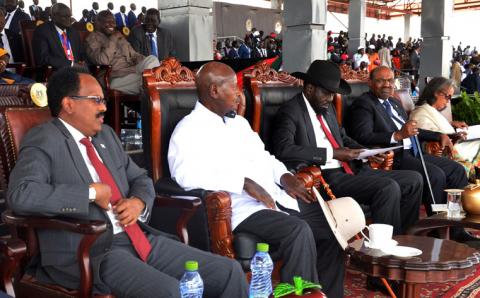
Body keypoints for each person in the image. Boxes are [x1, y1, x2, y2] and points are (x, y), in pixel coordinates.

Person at [7, 66, 248, 298]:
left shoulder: (106, 136)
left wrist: (139, 203)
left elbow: (140, 177)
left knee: (229, 272)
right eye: (96, 100)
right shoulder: (44, 138)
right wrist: (88, 193)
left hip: (139, 237)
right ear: (68, 104)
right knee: (169, 291)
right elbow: (21, 194)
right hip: (93, 250)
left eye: (103, 100)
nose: (104, 107)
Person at [168, 62, 345, 297]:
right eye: (234, 87)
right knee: (298, 231)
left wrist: (284, 177)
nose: (240, 93)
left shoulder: (238, 123)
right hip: (241, 208)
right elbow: (185, 175)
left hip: (275, 196)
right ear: (214, 91)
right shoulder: (188, 129)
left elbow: (265, 157)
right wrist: (242, 182)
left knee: (333, 229)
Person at [272, 60, 422, 236]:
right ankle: (384, 249)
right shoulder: (291, 111)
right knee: (387, 187)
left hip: (351, 168)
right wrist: (332, 154)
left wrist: (365, 153)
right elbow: (283, 149)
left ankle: (404, 238)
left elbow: (342, 138)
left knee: (414, 179)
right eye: (327, 93)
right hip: (327, 176)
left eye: (333, 94)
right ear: (310, 88)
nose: (331, 99)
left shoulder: (327, 108)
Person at [345, 66, 468, 215]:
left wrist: (438, 135)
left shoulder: (394, 103)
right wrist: (396, 135)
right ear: (370, 83)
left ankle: (454, 223)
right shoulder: (364, 104)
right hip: (396, 157)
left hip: (415, 153)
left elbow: (412, 130)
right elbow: (361, 135)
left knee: (457, 170)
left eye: (390, 80)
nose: (387, 84)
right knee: (436, 175)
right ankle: (437, 225)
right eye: (380, 80)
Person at [410, 77, 480, 178]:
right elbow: (427, 133)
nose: (448, 102)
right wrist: (453, 135)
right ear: (437, 93)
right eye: (448, 97)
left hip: (455, 144)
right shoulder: (421, 113)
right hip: (450, 150)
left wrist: (451, 126)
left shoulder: (430, 110)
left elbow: (436, 125)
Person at [85, 10, 160, 95]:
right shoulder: (93, 39)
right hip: (115, 77)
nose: (111, 25)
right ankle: (153, 95)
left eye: (113, 22)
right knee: (150, 81)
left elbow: (134, 54)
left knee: (152, 60)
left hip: (133, 71)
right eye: (107, 22)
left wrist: (143, 60)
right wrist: (113, 39)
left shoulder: (119, 36)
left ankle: (151, 90)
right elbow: (102, 60)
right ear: (98, 23)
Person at [33, 3, 84, 69]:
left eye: (69, 16)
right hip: (55, 72)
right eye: (65, 16)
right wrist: (71, 64)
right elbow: (43, 58)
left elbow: (81, 53)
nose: (69, 19)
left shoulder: (73, 32)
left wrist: (84, 62)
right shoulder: (42, 31)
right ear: (53, 16)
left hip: (77, 71)